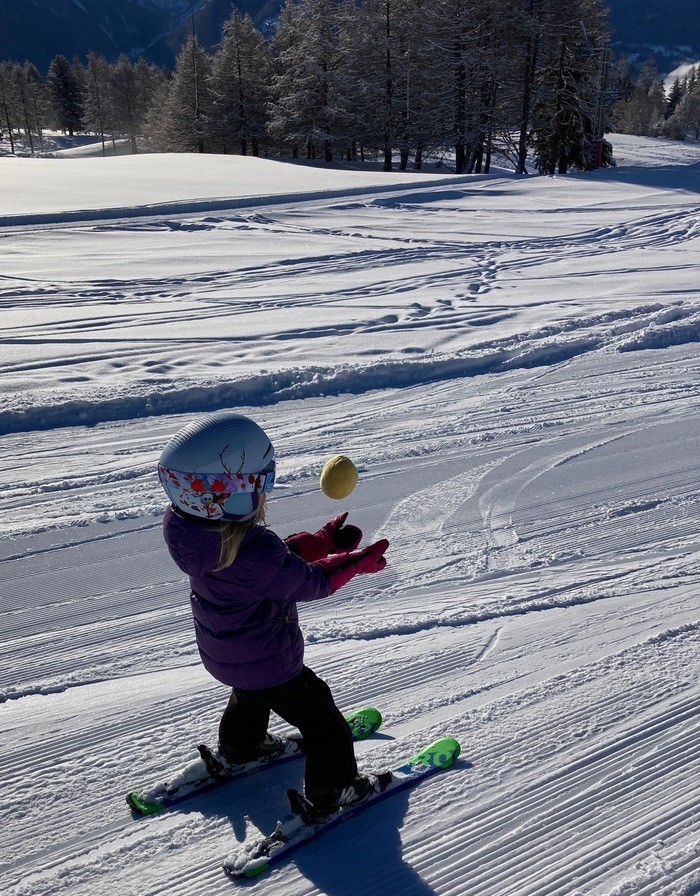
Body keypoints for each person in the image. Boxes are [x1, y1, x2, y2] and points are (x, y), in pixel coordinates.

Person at [157, 410, 390, 814]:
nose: (265, 493)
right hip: (270, 661)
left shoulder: (191, 533)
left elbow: (266, 566)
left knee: (249, 693)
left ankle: (241, 747)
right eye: (260, 484)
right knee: (322, 720)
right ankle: (333, 790)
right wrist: (359, 561)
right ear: (233, 496)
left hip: (227, 655)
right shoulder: (253, 551)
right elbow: (309, 582)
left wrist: (321, 543)